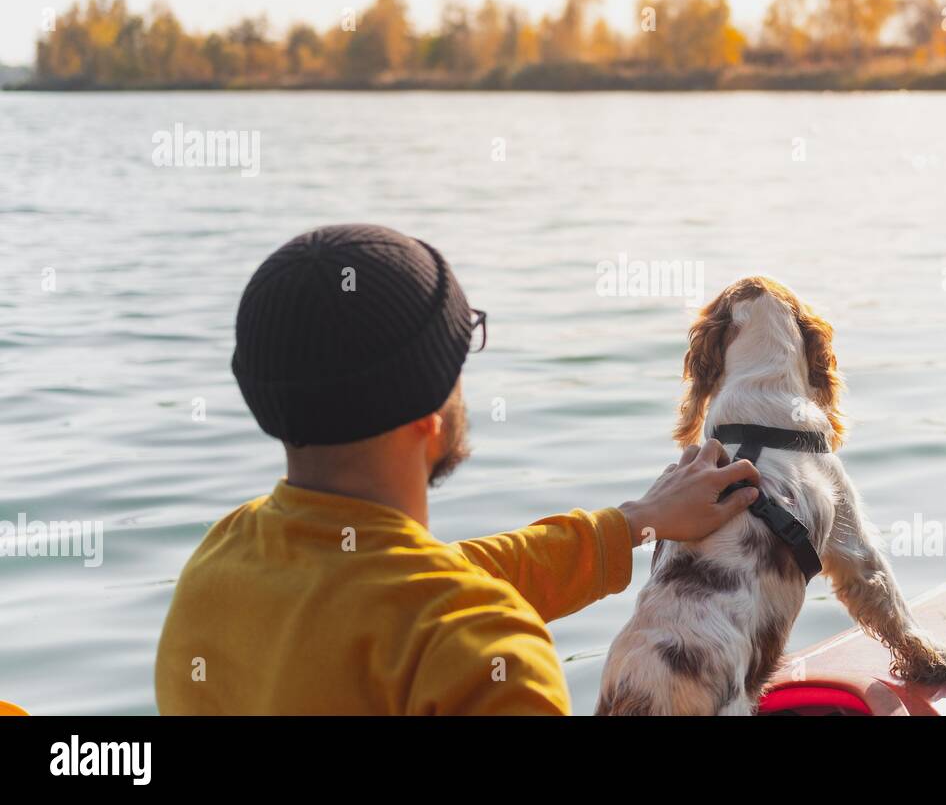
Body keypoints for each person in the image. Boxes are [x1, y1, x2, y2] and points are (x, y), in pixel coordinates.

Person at [154, 223, 759, 714]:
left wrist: (635, 523)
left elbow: (426, 582)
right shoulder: (489, 663)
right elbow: (433, 604)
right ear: (430, 414)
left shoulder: (219, 564)